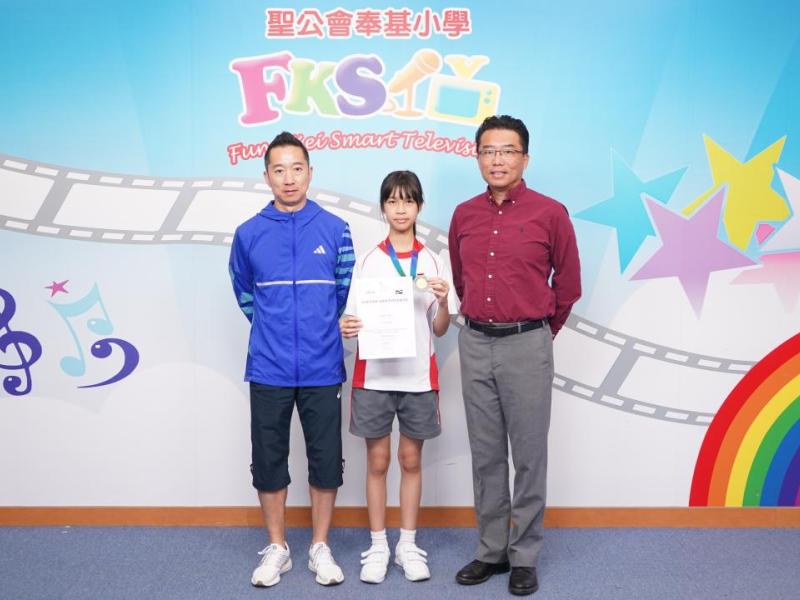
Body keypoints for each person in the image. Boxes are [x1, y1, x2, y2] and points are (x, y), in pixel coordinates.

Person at [448, 115, 581, 596]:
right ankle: (491, 551)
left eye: (507, 151)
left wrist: (539, 333)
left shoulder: (550, 213)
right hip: (474, 341)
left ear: (525, 158)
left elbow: (568, 286)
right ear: (477, 157)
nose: (497, 159)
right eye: (488, 150)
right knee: (485, 454)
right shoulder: (464, 214)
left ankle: (524, 555)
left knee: (528, 455)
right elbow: (461, 279)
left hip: (527, 343)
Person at [228, 131, 355, 588]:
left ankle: (320, 545)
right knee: (268, 459)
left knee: (326, 459)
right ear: (266, 176)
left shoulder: (336, 229)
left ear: (310, 172)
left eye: (296, 168)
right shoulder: (248, 233)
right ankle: (277, 547)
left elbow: (343, 291)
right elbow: (245, 294)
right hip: (269, 365)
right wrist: (274, 329)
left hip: (323, 365)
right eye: (278, 170)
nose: (288, 178)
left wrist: (319, 328)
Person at [340, 171, 458, 584]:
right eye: (392, 201)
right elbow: (351, 319)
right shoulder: (368, 261)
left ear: (419, 206)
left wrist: (444, 301)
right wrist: (347, 327)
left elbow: (439, 328)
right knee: (377, 461)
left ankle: (407, 544)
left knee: (410, 460)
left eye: (408, 201)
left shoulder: (433, 261)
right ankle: (378, 545)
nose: (401, 209)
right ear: (383, 208)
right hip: (374, 377)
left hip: (417, 378)